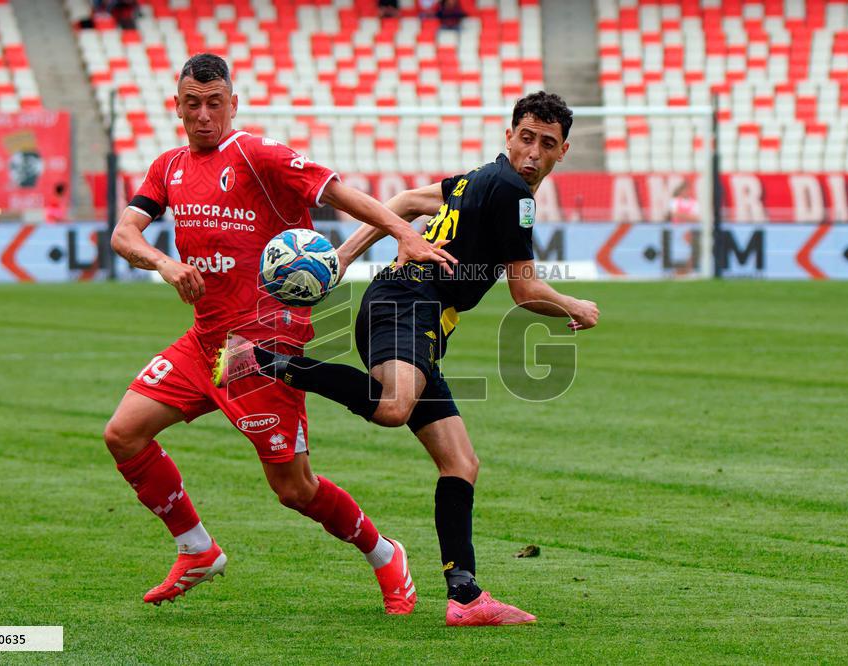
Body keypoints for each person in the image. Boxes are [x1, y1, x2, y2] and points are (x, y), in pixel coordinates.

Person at [216, 91, 600, 626]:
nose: (533, 153)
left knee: (460, 462)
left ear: (564, 152)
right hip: (406, 305)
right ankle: (261, 358)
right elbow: (524, 290)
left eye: (547, 144)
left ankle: (465, 597)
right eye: (527, 138)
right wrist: (573, 304)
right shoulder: (512, 190)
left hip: (413, 311)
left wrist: (342, 258)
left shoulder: (477, 180)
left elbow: (402, 203)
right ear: (508, 136)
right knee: (394, 406)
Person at [105, 53, 454, 611]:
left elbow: (337, 192)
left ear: (233, 104)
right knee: (124, 434)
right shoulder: (167, 167)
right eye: (192, 104)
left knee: (294, 489)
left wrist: (399, 232)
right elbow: (125, 233)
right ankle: (196, 548)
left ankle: (385, 553)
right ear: (176, 106)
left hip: (263, 347)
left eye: (214, 103)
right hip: (206, 342)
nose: (203, 115)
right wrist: (164, 264)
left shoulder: (257, 155)